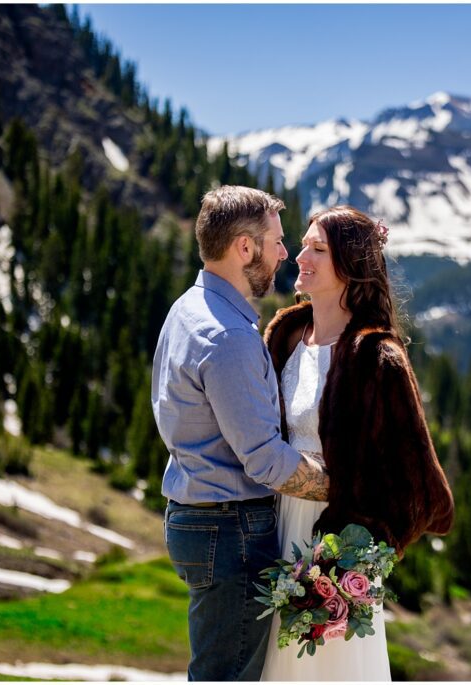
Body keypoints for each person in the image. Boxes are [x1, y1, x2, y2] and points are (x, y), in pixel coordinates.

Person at [260, 205, 455, 681]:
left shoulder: (378, 357)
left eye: (318, 249)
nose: (300, 256)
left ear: (350, 265)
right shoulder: (285, 337)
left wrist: (355, 559)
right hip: (269, 533)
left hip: (330, 546)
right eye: (303, 245)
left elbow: (419, 487)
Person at [152, 185, 330, 681]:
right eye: (276, 241)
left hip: (199, 515)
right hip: (230, 531)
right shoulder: (228, 336)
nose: (285, 253)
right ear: (244, 247)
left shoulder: (188, 308)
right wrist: (344, 485)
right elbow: (266, 461)